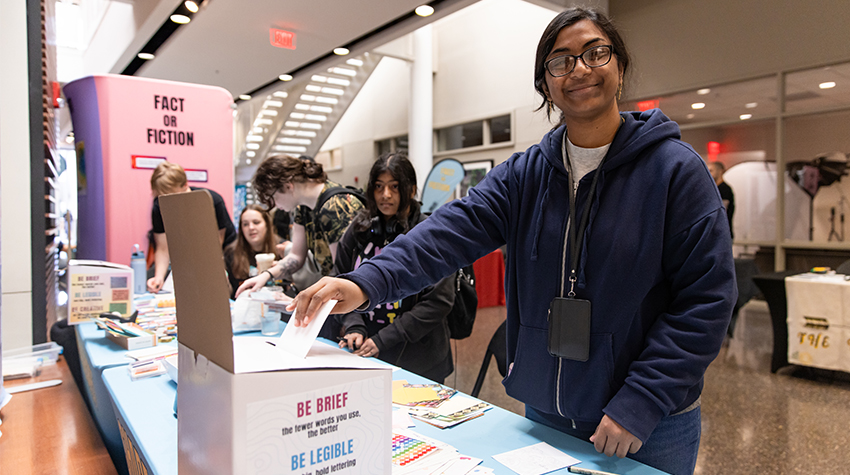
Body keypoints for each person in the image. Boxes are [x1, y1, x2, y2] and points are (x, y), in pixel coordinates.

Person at [287, 8, 736, 475]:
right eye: (561, 61)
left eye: (595, 53)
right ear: (545, 85)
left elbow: (707, 298)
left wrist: (642, 400)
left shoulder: (674, 171)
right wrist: (365, 282)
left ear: (619, 67)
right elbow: (446, 233)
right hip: (546, 412)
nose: (580, 69)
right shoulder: (525, 176)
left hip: (646, 422)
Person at [335, 152, 454, 382]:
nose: (385, 195)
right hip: (365, 351)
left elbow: (438, 302)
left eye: (395, 187)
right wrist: (354, 326)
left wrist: (382, 340)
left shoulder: (429, 232)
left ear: (411, 190)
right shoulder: (360, 228)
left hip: (419, 359)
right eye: (379, 186)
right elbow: (340, 279)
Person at [235, 155, 363, 293]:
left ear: (288, 186)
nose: (275, 205)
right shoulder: (302, 207)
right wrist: (266, 275)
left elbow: (342, 272)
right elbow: (296, 256)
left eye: (273, 198)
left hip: (355, 293)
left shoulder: (336, 207)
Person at [148, 162, 236, 293]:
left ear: (184, 185)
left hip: (222, 254)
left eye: (170, 195)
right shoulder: (159, 206)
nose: (167, 202)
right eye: (162, 196)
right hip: (190, 257)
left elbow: (216, 244)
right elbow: (162, 248)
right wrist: (158, 278)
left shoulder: (211, 200)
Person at [223, 205, 279, 299]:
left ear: (267, 224)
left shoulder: (281, 249)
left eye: (256, 222)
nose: (251, 227)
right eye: (245, 224)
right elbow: (230, 293)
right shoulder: (231, 252)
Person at [709, 161, 735, 239]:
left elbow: (721, 212)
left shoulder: (725, 189)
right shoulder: (713, 188)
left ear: (720, 171)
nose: (709, 173)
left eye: (711, 170)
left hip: (722, 234)